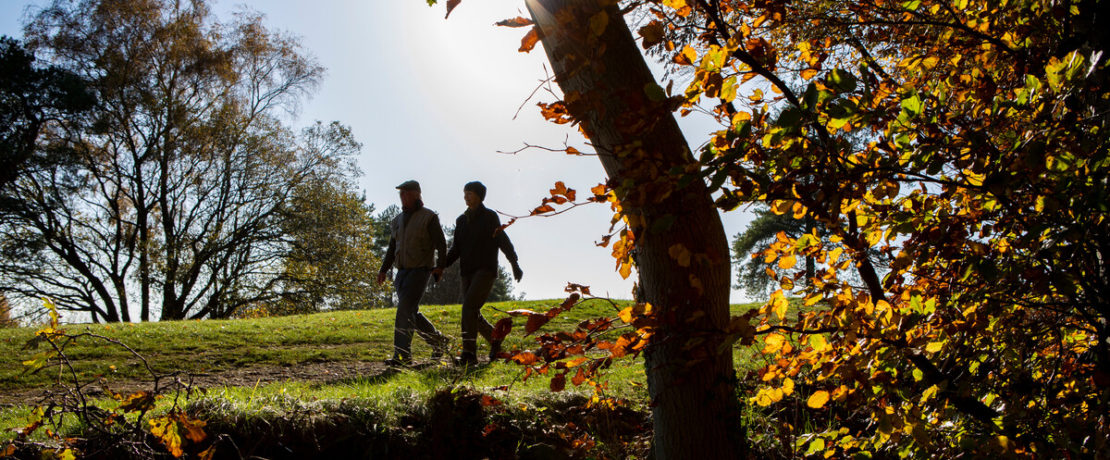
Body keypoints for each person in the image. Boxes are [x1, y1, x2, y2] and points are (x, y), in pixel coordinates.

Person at [434, 181, 523, 366]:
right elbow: (456, 248)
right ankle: (495, 339)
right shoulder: (461, 220)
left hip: (486, 270)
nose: (466, 196)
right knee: (471, 311)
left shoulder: (490, 217)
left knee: (468, 308)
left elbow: (502, 240)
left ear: (479, 196)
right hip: (466, 272)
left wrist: (514, 263)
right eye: (465, 193)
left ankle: (469, 354)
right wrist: (441, 266)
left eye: (470, 193)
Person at [377, 180, 450, 366]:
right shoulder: (397, 220)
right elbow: (392, 248)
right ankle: (438, 342)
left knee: (404, 310)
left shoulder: (428, 217)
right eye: (401, 194)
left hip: (420, 271)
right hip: (402, 273)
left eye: (407, 193)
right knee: (411, 312)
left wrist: (440, 266)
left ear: (417, 194)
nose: (403, 197)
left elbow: (441, 244)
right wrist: (383, 269)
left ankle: (402, 355)